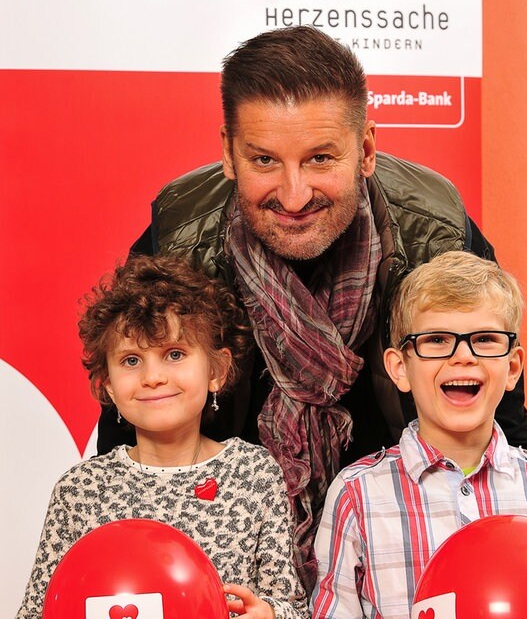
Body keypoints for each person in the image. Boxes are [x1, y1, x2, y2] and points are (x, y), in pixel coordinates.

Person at [96, 24, 527, 588]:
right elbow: (127, 430)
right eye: (263, 160)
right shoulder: (181, 239)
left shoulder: (438, 234)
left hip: (397, 542)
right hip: (232, 551)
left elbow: (502, 420)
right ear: (228, 155)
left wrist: (520, 553)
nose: (294, 195)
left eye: (319, 159)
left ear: (367, 150)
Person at [312, 251, 527, 619]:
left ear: (512, 367)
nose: (463, 356)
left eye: (484, 339)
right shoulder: (358, 493)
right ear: (400, 368)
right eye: (436, 340)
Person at [16, 256, 308, 619]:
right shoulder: (80, 489)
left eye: (174, 354)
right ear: (107, 384)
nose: (152, 377)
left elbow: (292, 605)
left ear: (216, 371)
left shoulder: (253, 473)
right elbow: (36, 612)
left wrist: (269, 614)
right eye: (132, 361)